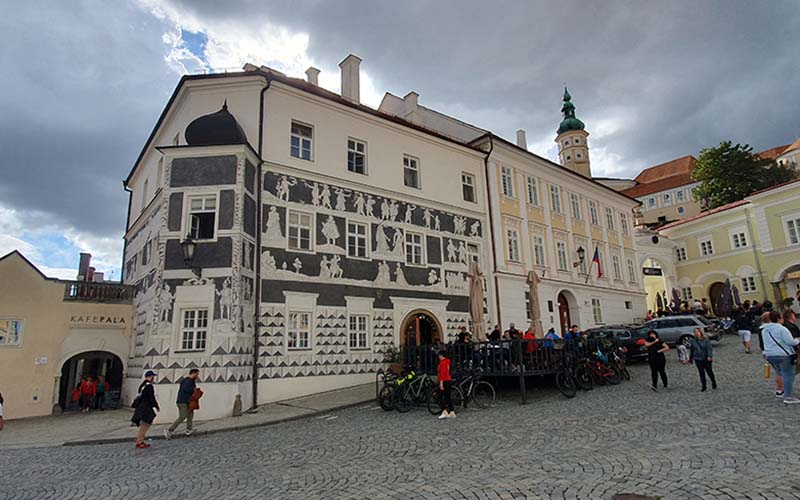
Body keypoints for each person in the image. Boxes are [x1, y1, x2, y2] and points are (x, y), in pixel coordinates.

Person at [761, 311, 800, 404]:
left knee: (780, 373)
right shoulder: (782, 329)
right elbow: (790, 342)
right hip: (783, 354)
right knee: (788, 375)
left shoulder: (764, 330)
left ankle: (780, 391)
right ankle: (788, 396)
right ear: (779, 318)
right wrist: (797, 340)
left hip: (770, 355)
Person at [165, 369, 200, 439]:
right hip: (183, 402)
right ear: (194, 373)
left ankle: (189, 429)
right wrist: (194, 390)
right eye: (197, 374)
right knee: (182, 416)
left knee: (190, 414)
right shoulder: (189, 381)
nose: (197, 376)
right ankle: (169, 430)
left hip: (185, 401)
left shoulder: (185, 380)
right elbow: (186, 389)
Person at [132, 370, 160, 448]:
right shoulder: (149, 386)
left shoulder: (143, 385)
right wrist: (156, 406)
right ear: (150, 377)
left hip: (142, 406)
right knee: (146, 424)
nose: (153, 378)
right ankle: (140, 441)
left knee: (145, 424)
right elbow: (151, 397)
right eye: (153, 376)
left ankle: (140, 440)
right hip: (146, 407)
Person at [436, 350, 455, 419]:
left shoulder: (443, 363)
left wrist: (441, 383)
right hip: (448, 380)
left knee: (439, 396)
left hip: (444, 381)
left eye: (439, 355)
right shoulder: (447, 361)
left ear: (441, 355)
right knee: (447, 397)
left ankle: (444, 411)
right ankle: (452, 411)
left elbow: (442, 373)